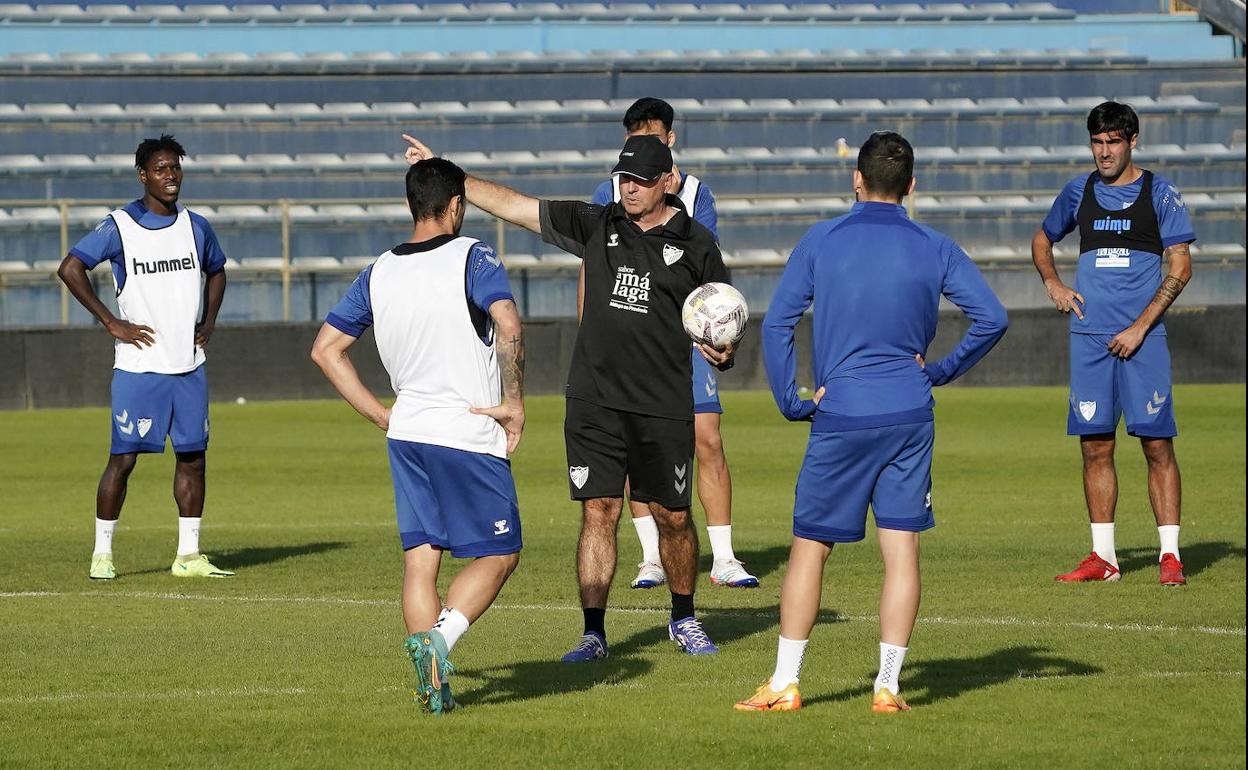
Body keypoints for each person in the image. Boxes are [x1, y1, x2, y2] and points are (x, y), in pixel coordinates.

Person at [403, 132, 735, 661]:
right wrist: (446, 174)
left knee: (673, 515)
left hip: (663, 402)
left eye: (641, 181)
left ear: (668, 182)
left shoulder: (698, 245)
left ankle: (683, 617)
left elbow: (719, 316)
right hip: (594, 401)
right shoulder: (597, 222)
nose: (628, 189)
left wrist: (723, 351)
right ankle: (594, 633)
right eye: (622, 178)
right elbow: (517, 207)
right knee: (598, 510)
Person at [736, 131, 1007, 713]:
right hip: (910, 412)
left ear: (855, 180)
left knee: (810, 548)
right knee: (902, 551)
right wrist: (939, 371)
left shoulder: (822, 240)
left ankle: (786, 682)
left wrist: (791, 399)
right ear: (911, 187)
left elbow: (778, 323)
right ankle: (888, 686)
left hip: (843, 414)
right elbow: (992, 317)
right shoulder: (935, 245)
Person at [311, 158, 525, 715]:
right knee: (501, 553)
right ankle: (441, 640)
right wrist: (515, 401)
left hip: (407, 433)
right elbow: (508, 323)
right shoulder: (473, 255)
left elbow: (325, 350)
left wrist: (382, 416)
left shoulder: (377, 271)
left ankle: (432, 686)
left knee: (421, 561)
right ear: (456, 205)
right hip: (467, 430)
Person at [585, 97, 757, 590]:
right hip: (629, 339)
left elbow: (703, 263)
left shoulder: (697, 192)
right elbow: (594, 266)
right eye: (633, 139)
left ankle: (723, 556)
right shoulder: (606, 192)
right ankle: (650, 557)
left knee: (707, 438)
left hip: (683, 338)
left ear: (670, 140)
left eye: (652, 138)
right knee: (631, 447)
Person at [1031, 101, 1196, 586]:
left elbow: (1180, 267)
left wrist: (1140, 327)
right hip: (1088, 339)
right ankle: (1104, 558)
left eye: (1113, 142)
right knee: (1095, 447)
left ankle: (1170, 555)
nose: (1104, 152)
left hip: (1142, 340)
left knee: (1156, 444)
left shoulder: (1159, 193)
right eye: (1097, 142)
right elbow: (1042, 240)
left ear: (1132, 141)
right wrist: (1054, 285)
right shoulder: (1078, 191)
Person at [57, 133, 232, 581]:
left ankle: (188, 555)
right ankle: (102, 554)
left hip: (188, 366)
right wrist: (111, 323)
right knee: (124, 459)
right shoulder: (120, 225)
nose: (170, 175)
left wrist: (208, 322)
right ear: (143, 175)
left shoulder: (196, 225)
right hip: (140, 368)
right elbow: (70, 268)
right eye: (160, 168)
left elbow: (218, 271)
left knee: (193, 457)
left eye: (175, 167)